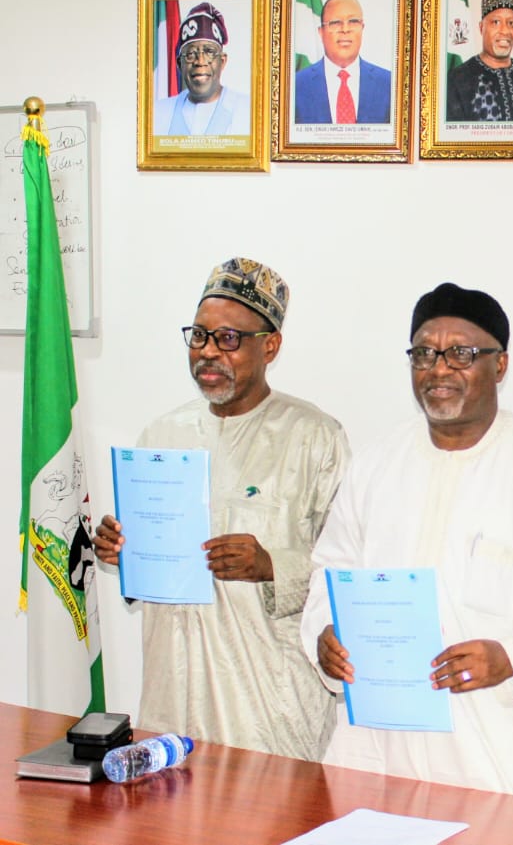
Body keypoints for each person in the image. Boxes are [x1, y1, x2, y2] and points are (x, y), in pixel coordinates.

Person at [299, 282, 513, 800]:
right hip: (374, 747)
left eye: (461, 354)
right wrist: (323, 633)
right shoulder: (376, 464)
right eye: (424, 353)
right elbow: (329, 571)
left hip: (492, 753)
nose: (439, 368)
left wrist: (511, 657)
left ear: (500, 365)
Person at [92, 258, 349, 761]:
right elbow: (154, 566)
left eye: (228, 339)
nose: (208, 351)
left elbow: (346, 570)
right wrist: (124, 552)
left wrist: (271, 565)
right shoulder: (161, 435)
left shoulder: (315, 438)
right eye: (199, 336)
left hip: (267, 708)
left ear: (270, 346)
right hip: (172, 692)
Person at [153, 2, 252, 136]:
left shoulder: (248, 111)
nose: (200, 61)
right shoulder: (158, 113)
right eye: (190, 54)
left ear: (222, 61)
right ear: (179, 64)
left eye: (209, 52)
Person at [446, 0, 513, 122]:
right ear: (481, 28)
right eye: (496, 22)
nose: (505, 31)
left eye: (511, 23)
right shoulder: (457, 81)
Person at [294, 0, 392, 125]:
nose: (345, 29)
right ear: (321, 32)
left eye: (353, 21)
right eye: (335, 22)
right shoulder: (296, 85)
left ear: (362, 28)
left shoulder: (389, 84)